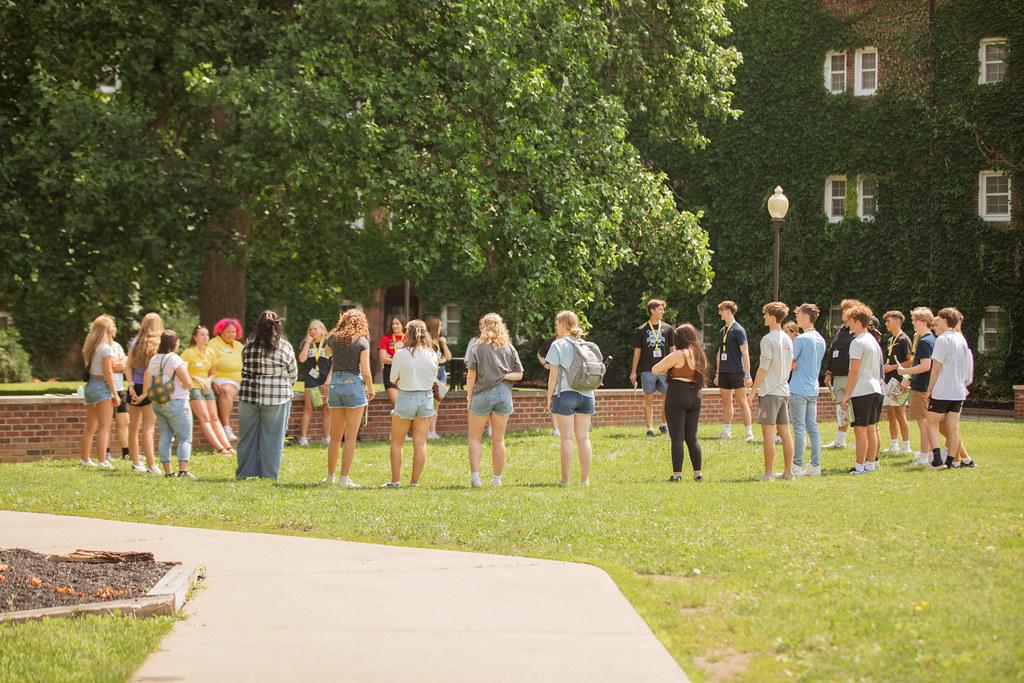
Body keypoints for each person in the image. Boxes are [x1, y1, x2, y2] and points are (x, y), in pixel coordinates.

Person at [236, 310, 298, 480]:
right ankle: (269, 475)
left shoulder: (248, 344)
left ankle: (244, 473)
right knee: (273, 438)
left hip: (249, 395)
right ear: (278, 325)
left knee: (247, 437)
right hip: (277, 397)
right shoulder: (284, 346)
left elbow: (244, 365)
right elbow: (293, 374)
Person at [465, 313, 524, 487]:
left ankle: (475, 478)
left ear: (484, 326)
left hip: (482, 393)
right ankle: (496, 479)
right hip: (504, 394)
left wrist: (469, 397)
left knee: (475, 438)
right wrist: (502, 375)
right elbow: (519, 374)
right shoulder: (509, 348)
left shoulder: (477, 347)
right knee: (498, 439)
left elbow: (471, 376)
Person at [382, 319, 438, 488]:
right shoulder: (432, 354)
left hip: (405, 396)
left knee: (397, 442)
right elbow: (434, 377)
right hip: (426, 398)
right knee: (420, 443)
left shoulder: (400, 353)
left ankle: (395, 480)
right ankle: (414, 482)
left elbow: (392, 379)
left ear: (408, 334)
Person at [324, 309, 376, 487]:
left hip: (335, 385)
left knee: (335, 436)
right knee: (351, 437)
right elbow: (366, 371)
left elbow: (326, 353)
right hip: (353, 384)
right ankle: (343, 479)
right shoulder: (362, 341)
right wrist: (371, 389)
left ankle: (330, 476)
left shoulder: (333, 338)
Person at [651, 323, 707, 482]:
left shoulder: (678, 354)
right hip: (695, 395)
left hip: (677, 393)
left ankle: (677, 475)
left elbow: (655, 369)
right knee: (692, 436)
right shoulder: (699, 355)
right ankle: (698, 473)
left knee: (677, 437)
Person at [545, 310, 595, 486]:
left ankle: (565, 480)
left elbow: (553, 376)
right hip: (587, 394)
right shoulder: (585, 344)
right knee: (584, 438)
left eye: (556, 324)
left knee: (566, 437)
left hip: (565, 393)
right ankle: (584, 480)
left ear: (561, 324)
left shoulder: (557, 345)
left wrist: (549, 397)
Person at [748, 302, 795, 480]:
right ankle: (788, 472)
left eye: (766, 314)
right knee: (785, 432)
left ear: (773, 317)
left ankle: (768, 473)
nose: (764, 317)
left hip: (770, 391)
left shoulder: (768, 340)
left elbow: (763, 368)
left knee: (768, 433)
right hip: (783, 390)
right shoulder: (788, 339)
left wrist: (752, 392)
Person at [925, 308, 973, 470]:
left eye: (939, 318)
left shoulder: (942, 340)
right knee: (953, 428)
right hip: (958, 391)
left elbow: (936, 367)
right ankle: (951, 461)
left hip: (943, 389)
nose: (936, 321)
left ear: (945, 320)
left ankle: (937, 460)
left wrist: (929, 389)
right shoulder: (961, 339)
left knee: (930, 424)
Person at [839, 304, 884, 475]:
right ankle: (870, 464)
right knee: (871, 428)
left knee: (861, 429)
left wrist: (847, 394)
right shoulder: (872, 340)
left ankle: (859, 466)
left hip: (863, 390)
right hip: (875, 389)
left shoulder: (857, 342)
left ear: (858, 322)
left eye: (850, 321)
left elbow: (854, 370)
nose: (848, 325)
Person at [144, 330, 195, 478]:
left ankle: (168, 471)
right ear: (174, 343)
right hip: (177, 401)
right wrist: (189, 384)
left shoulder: (154, 359)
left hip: (159, 402)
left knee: (165, 437)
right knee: (185, 437)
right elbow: (187, 382)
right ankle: (183, 471)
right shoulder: (174, 359)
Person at [179, 325, 234, 455]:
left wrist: (208, 381)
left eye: (207, 335)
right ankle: (220, 448)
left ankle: (228, 446)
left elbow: (212, 374)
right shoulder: (188, 353)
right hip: (194, 387)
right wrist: (197, 378)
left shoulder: (211, 353)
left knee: (214, 417)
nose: (205, 337)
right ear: (195, 337)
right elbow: (181, 372)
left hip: (206, 387)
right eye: (202, 335)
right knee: (205, 418)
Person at [79, 314, 121, 469]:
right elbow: (108, 373)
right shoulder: (106, 349)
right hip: (102, 387)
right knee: (104, 426)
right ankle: (102, 461)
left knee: (90, 427)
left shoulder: (90, 348)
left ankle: (85, 459)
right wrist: (115, 393)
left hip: (90, 386)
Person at [629, 299, 675, 437]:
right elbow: (637, 351)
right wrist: (633, 371)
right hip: (647, 369)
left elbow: (673, 349)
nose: (662, 312)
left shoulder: (668, 329)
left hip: (665, 369)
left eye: (662, 309)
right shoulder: (642, 329)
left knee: (666, 399)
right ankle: (649, 428)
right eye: (660, 309)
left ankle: (663, 424)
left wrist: (673, 367)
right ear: (652, 310)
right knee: (648, 399)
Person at [791, 304, 826, 476]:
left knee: (798, 428)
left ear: (806, 317)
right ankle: (815, 465)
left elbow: (789, 361)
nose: (796, 318)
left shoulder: (801, 339)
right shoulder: (820, 339)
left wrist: (793, 363)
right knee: (812, 427)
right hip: (813, 388)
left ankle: (796, 466)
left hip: (798, 388)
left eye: (798, 315)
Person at [898, 308, 936, 465]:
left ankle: (924, 456)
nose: (912, 322)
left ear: (924, 322)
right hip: (922, 384)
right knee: (927, 423)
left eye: (915, 320)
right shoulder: (931, 339)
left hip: (922, 388)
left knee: (924, 424)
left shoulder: (924, 341)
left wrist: (905, 371)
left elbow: (925, 366)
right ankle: (930, 454)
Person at [126, 312, 163, 473]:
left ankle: (136, 463)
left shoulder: (135, 342)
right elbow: (151, 370)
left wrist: (131, 386)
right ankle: (151, 465)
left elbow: (128, 366)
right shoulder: (158, 344)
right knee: (148, 428)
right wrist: (146, 392)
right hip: (150, 388)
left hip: (135, 387)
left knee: (133, 426)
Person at [712, 301, 754, 441]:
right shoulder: (722, 331)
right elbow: (719, 352)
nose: (719, 313)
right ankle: (726, 431)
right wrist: (717, 372)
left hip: (737, 371)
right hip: (724, 371)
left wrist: (747, 375)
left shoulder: (739, 330)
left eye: (721, 310)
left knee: (742, 401)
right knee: (726, 401)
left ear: (729, 311)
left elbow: (745, 352)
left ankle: (749, 432)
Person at [823, 300, 859, 449]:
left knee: (856, 407)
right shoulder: (839, 331)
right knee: (841, 407)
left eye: (846, 310)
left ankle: (859, 439)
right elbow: (833, 351)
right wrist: (828, 371)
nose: (843, 312)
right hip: (837, 376)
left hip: (851, 375)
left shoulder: (857, 332)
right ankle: (840, 440)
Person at [881, 311, 913, 454]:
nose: (886, 324)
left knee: (900, 413)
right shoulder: (889, 340)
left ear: (897, 322)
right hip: (888, 380)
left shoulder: (904, 339)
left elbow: (910, 362)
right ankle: (894, 444)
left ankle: (906, 446)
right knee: (890, 413)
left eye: (889, 321)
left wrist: (893, 367)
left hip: (899, 380)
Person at [297, 319, 332, 446]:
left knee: (327, 408)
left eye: (315, 329)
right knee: (308, 408)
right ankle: (304, 438)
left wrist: (328, 380)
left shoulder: (328, 343)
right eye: (310, 329)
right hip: (312, 379)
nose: (312, 332)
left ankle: (327, 437)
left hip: (325, 379)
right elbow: (302, 359)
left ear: (322, 330)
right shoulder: (307, 343)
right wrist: (307, 342)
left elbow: (334, 364)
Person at [210, 318, 244, 442]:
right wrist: (211, 380)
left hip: (242, 379)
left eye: (234, 332)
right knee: (226, 390)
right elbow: (207, 363)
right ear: (221, 332)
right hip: (222, 378)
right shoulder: (213, 344)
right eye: (228, 332)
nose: (232, 335)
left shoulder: (239, 346)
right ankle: (226, 427)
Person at [425, 316, 452, 440]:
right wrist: (441, 360)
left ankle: (433, 431)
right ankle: (427, 431)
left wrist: (444, 344)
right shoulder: (427, 341)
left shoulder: (439, 341)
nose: (441, 328)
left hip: (441, 372)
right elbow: (433, 358)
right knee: (430, 403)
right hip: (432, 373)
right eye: (439, 325)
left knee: (437, 403)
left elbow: (448, 357)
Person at [109, 335, 131, 462]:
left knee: (124, 421)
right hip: (108, 389)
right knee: (107, 424)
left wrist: (120, 365)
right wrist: (117, 366)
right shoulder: (102, 347)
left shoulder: (117, 346)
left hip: (120, 388)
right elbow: (109, 367)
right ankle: (106, 454)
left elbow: (125, 365)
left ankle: (126, 453)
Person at [378, 315, 407, 408]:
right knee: (396, 403)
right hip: (389, 372)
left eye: (397, 324)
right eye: (393, 324)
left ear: (403, 325)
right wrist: (400, 360)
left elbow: (410, 358)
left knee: (406, 403)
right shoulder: (386, 338)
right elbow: (382, 358)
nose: (394, 326)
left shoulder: (408, 338)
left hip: (405, 372)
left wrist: (390, 357)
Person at [537, 336, 560, 436]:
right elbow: (539, 354)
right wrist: (545, 364)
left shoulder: (572, 340)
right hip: (553, 374)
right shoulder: (550, 342)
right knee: (553, 400)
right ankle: (556, 429)